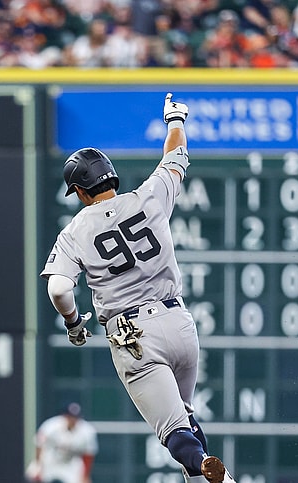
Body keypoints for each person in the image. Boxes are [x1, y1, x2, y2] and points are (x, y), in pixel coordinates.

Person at [40, 93, 236, 483]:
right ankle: (209, 473)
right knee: (184, 416)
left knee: (174, 433)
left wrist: (74, 323)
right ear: (110, 177)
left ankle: (207, 467)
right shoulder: (149, 196)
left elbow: (59, 288)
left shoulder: (74, 231)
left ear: (80, 191)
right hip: (179, 323)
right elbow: (175, 156)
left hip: (135, 336)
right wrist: (175, 120)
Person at [26, 402, 98, 483]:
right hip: (50, 459)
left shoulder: (87, 431)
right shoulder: (51, 425)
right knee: (32, 475)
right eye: (70, 417)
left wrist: (85, 476)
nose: (72, 420)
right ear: (64, 416)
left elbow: (89, 455)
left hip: (71, 463)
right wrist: (38, 466)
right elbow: (39, 445)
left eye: (75, 417)